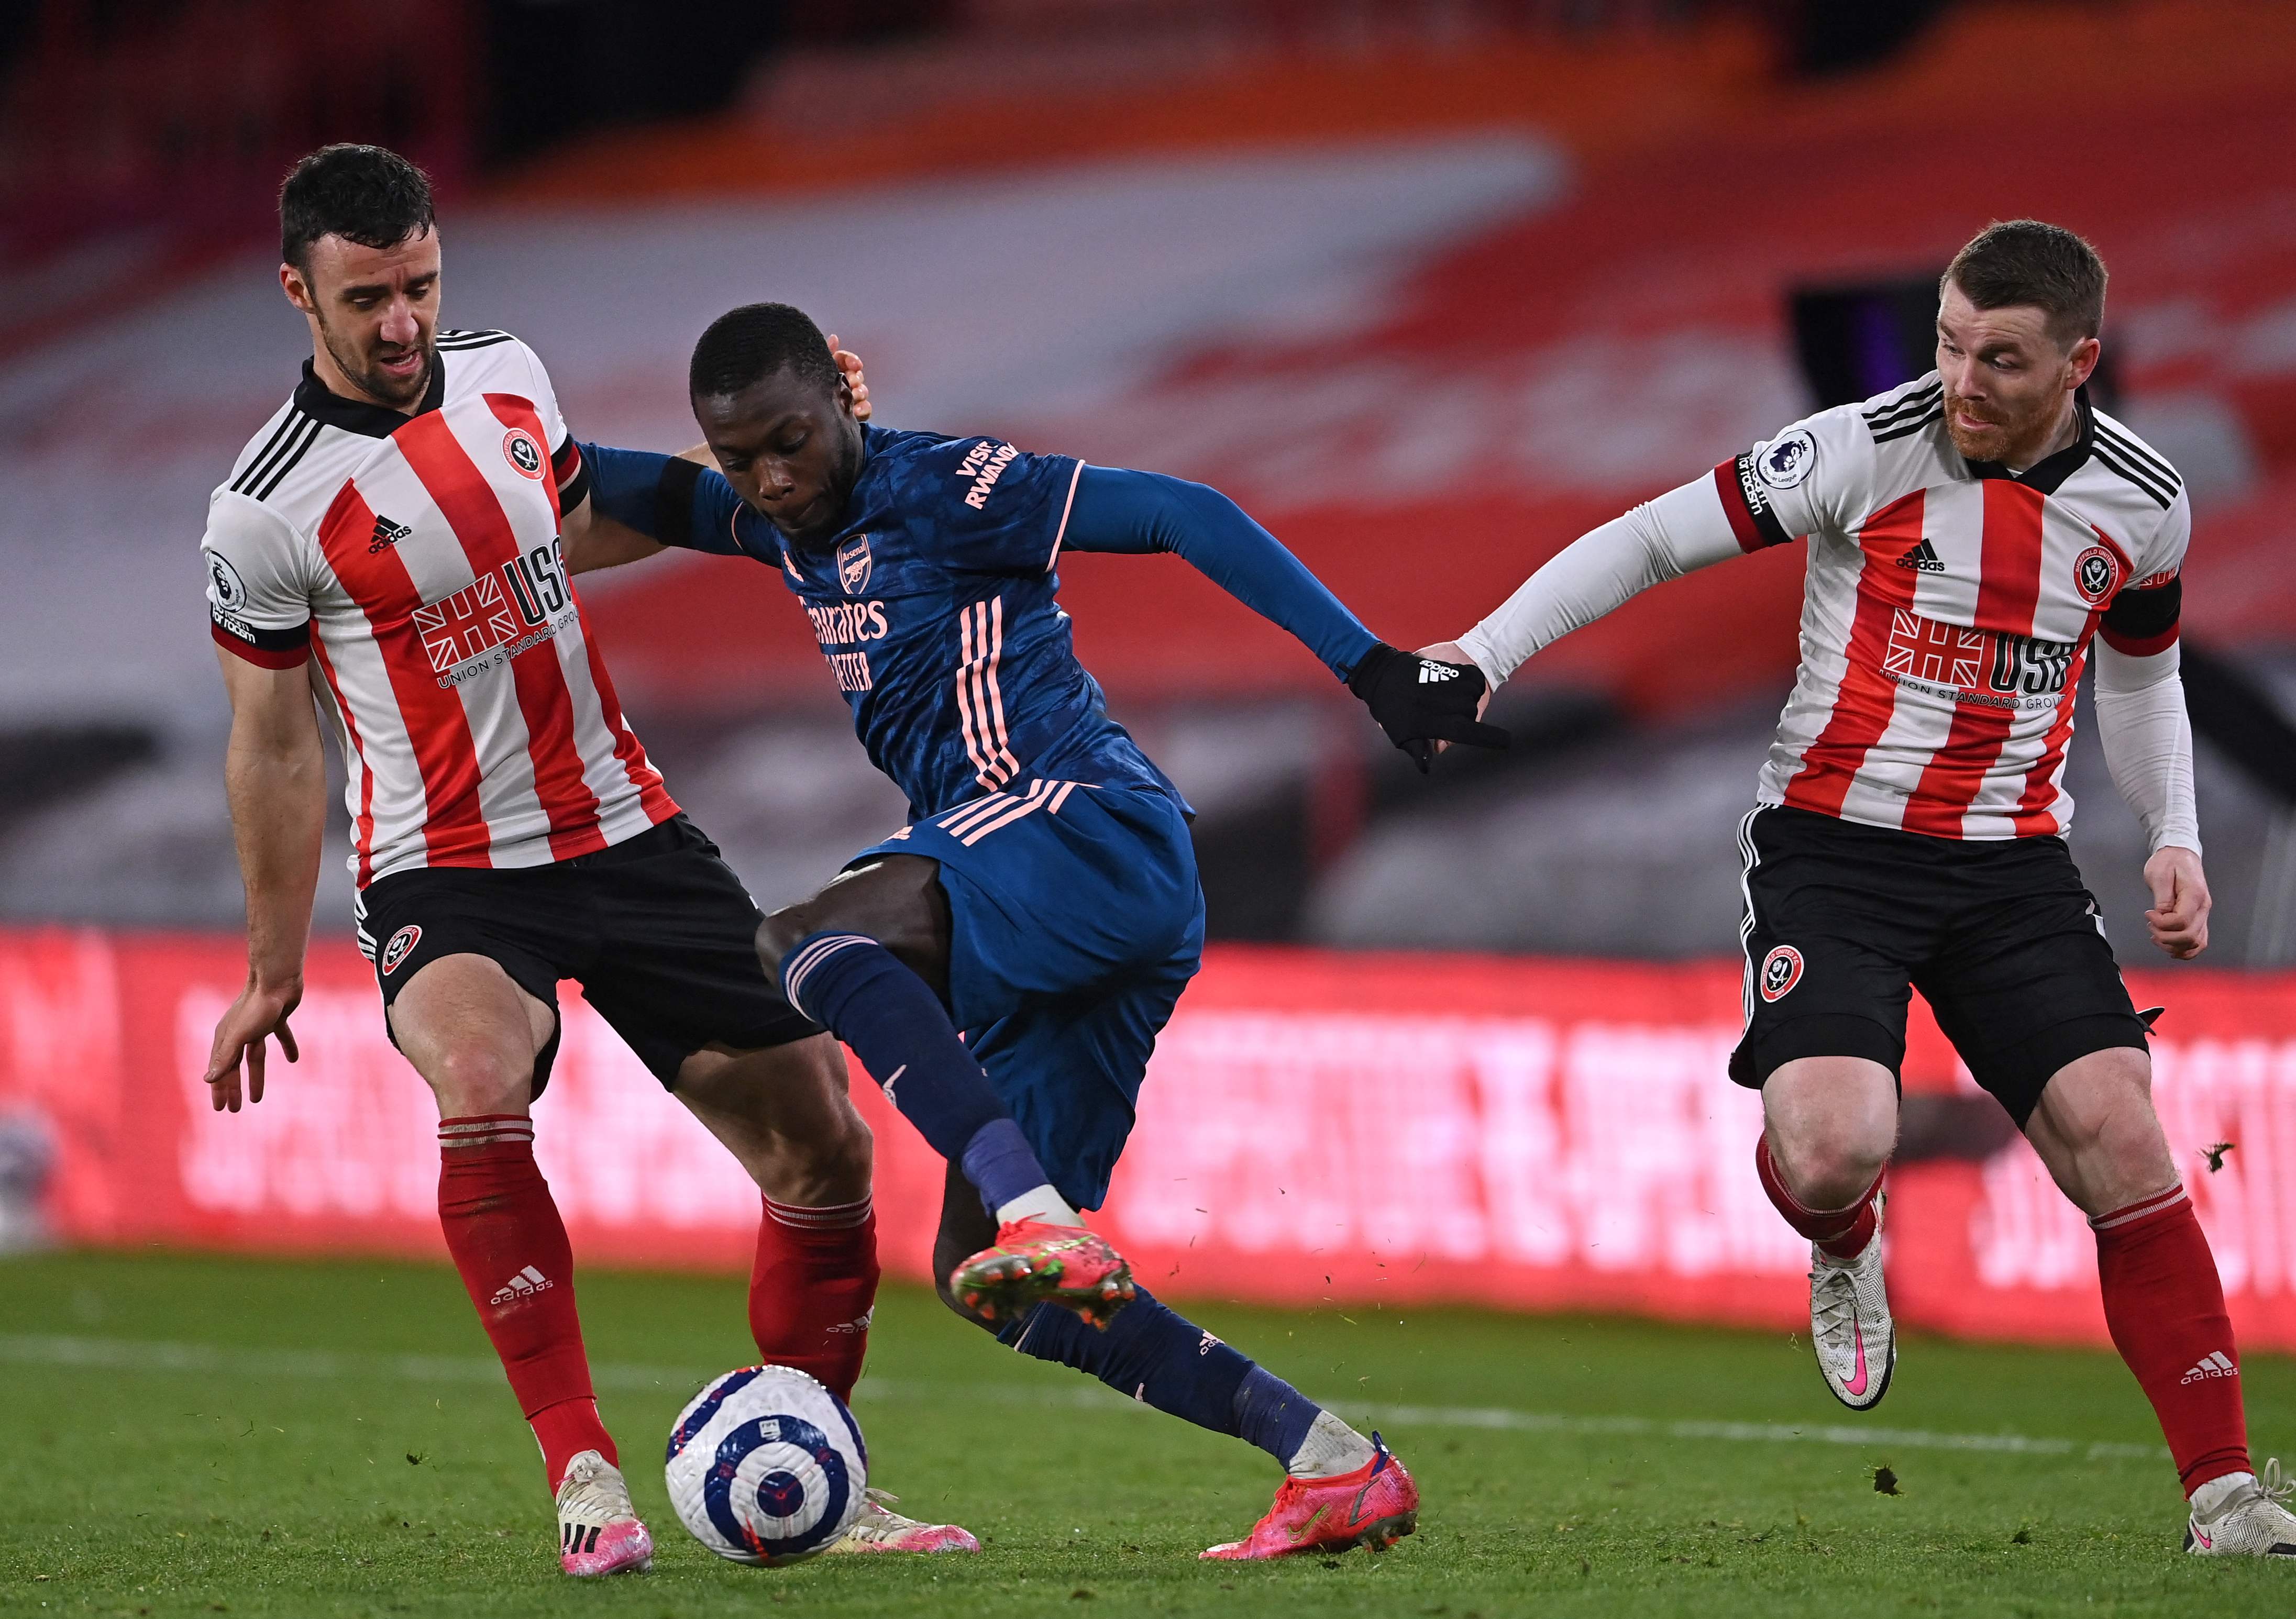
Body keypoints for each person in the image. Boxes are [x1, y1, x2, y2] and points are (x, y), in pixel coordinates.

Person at [1421, 220, 2296, 1560]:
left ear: (2081, 360)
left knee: (2121, 1127)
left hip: (2010, 865)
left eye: (2002, 358)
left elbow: (2143, 675)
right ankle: (1844, 1231)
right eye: (1949, 342)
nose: (1963, 380)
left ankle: (2226, 1498)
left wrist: (2178, 833)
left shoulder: (2145, 500)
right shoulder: (1860, 448)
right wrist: (1486, 651)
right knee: (1833, 1142)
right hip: (1837, 847)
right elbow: (1645, 541)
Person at [575, 302, 1502, 1557]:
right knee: (987, 1283)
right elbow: (570, 474)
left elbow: (1186, 511)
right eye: (740, 458)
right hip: (1051, 898)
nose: (770, 477)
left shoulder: (954, 487)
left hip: (1086, 827)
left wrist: (1371, 665)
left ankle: (1038, 1205)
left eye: (791, 440)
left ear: (843, 400)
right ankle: (1330, 1461)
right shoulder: (768, 520)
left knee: (804, 941)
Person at [197, 145, 975, 1579]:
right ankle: (584, 1473)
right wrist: (266, 963)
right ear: (297, 292)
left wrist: (787, 472)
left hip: (626, 825)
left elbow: (577, 521)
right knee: (480, 1075)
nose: (402, 324)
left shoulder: (509, 376)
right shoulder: (265, 509)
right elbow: (275, 743)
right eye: (366, 297)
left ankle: (819, 1461)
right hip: (446, 867)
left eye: (420, 285)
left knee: (824, 1142)